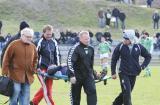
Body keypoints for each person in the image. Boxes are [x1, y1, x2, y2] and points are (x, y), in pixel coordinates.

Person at [111, 29, 151, 105]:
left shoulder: (138, 46)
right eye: (123, 38)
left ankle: (116, 103)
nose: (124, 40)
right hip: (123, 73)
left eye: (126, 39)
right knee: (127, 92)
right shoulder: (120, 46)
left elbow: (148, 56)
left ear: (131, 39)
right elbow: (114, 59)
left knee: (127, 92)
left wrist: (142, 66)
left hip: (133, 74)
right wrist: (113, 72)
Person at [1, 28, 38, 105]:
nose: (29, 39)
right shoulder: (14, 44)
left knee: (26, 95)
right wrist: (4, 71)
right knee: (15, 92)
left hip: (28, 76)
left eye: (31, 37)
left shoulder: (33, 47)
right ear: (22, 35)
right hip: (15, 75)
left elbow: (35, 59)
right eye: (27, 37)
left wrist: (34, 69)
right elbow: (6, 58)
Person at [30, 25, 60, 105]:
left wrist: (58, 67)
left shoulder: (54, 42)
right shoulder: (39, 42)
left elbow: (57, 55)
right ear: (43, 33)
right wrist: (36, 68)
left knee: (47, 87)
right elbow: (35, 56)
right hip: (41, 69)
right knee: (46, 88)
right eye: (47, 34)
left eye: (50, 34)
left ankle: (34, 102)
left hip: (51, 69)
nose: (49, 36)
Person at [67, 31, 97, 105]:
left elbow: (90, 64)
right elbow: (70, 62)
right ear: (80, 39)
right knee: (76, 98)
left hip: (88, 76)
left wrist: (94, 74)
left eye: (88, 38)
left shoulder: (91, 49)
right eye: (86, 39)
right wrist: (71, 75)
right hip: (77, 77)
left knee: (92, 92)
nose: (88, 40)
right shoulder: (75, 48)